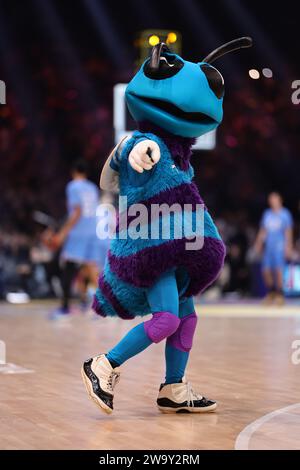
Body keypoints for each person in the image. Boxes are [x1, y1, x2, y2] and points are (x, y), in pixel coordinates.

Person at [81, 38, 252, 414]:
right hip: (154, 253)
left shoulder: (182, 159)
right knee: (167, 319)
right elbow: (126, 156)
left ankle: (173, 389)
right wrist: (133, 149)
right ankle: (103, 364)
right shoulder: (147, 142)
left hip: (178, 255)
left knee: (187, 320)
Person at [50, 159, 101, 316]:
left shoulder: (73, 186)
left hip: (78, 232)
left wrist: (62, 233)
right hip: (93, 230)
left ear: (74, 172)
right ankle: (102, 305)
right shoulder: (93, 188)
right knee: (90, 269)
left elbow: (77, 211)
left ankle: (65, 307)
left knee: (69, 267)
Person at [254, 192, 293, 305]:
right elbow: (263, 230)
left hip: (279, 246)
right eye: (270, 199)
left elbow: (288, 231)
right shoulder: (267, 214)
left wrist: (288, 247)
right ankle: (271, 292)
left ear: (279, 200)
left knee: (279, 270)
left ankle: (280, 294)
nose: (272, 201)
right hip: (269, 247)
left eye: (274, 199)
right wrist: (258, 243)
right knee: (265, 270)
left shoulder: (285, 214)